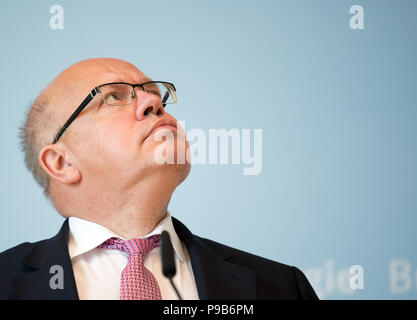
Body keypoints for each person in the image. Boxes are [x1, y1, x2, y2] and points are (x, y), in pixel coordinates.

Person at [0, 58, 318, 300]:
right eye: (112, 97)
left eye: (155, 94)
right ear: (62, 162)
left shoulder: (281, 287)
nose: (154, 103)